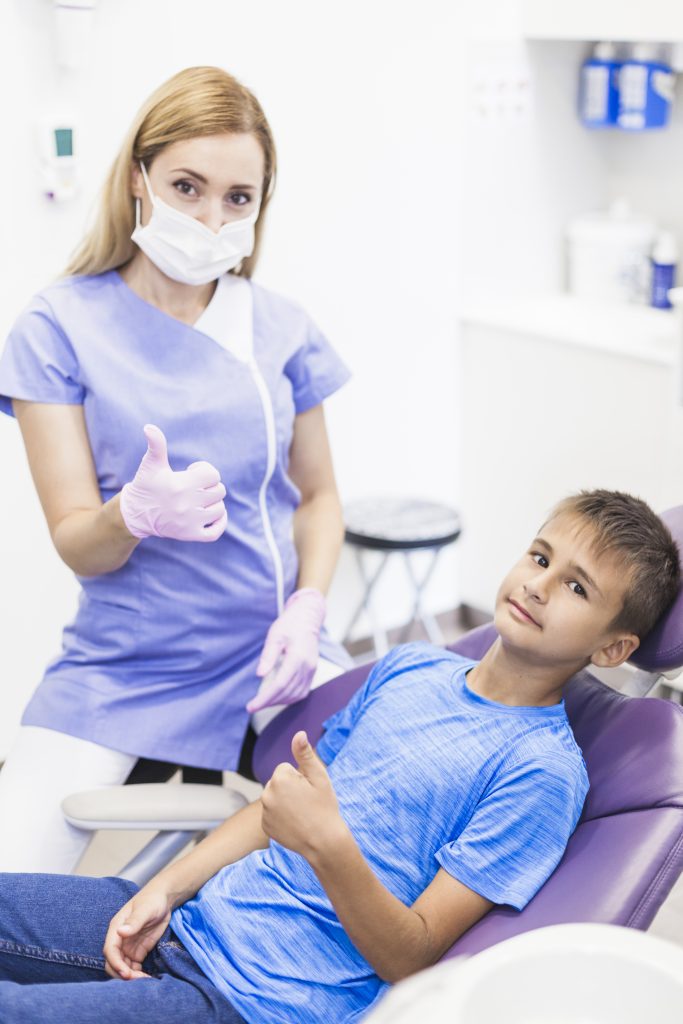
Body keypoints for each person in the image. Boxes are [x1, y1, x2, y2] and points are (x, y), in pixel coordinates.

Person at [0, 489, 678, 1024]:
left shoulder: (540, 773)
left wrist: (329, 845)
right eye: (539, 557)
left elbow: (414, 959)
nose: (538, 584)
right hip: (195, 920)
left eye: (577, 587)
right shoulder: (412, 667)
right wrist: (164, 889)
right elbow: (280, 808)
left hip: (258, 1000)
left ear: (613, 648)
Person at [0, 66, 352, 872]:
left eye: (237, 198)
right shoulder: (58, 327)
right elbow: (76, 542)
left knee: (382, 840)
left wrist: (307, 608)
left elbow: (320, 498)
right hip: (125, 663)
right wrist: (128, 513)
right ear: (138, 177)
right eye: (186, 187)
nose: (210, 218)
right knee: (9, 884)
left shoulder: (280, 328)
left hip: (273, 648)